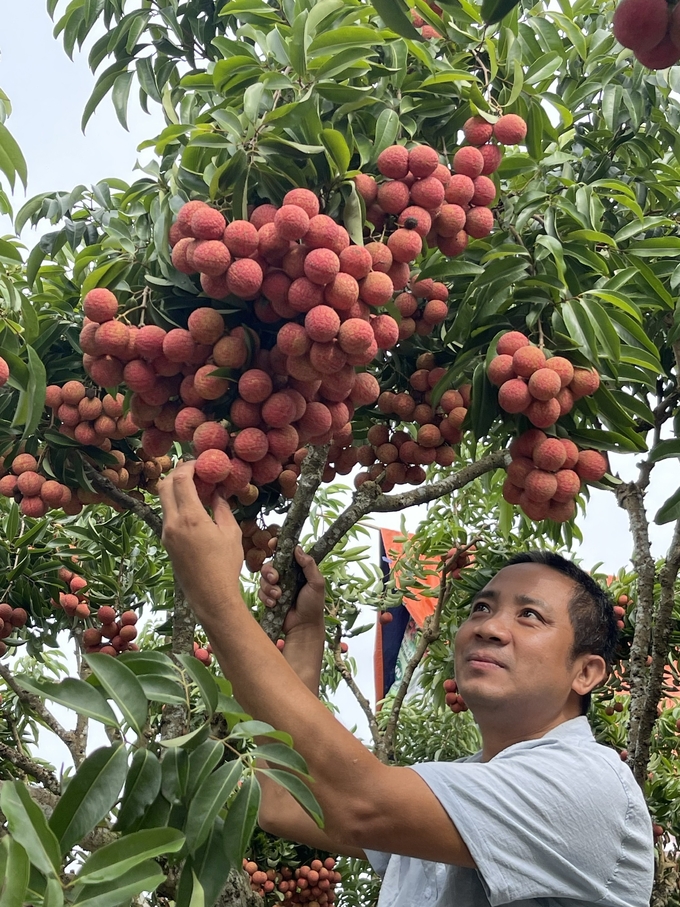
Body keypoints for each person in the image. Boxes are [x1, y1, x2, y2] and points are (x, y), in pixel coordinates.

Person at [158, 462, 655, 907]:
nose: (488, 626)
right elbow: (285, 803)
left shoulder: (584, 783)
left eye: (530, 615)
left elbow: (361, 803)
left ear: (586, 673)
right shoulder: (460, 783)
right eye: (481, 607)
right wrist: (306, 635)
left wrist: (215, 597)